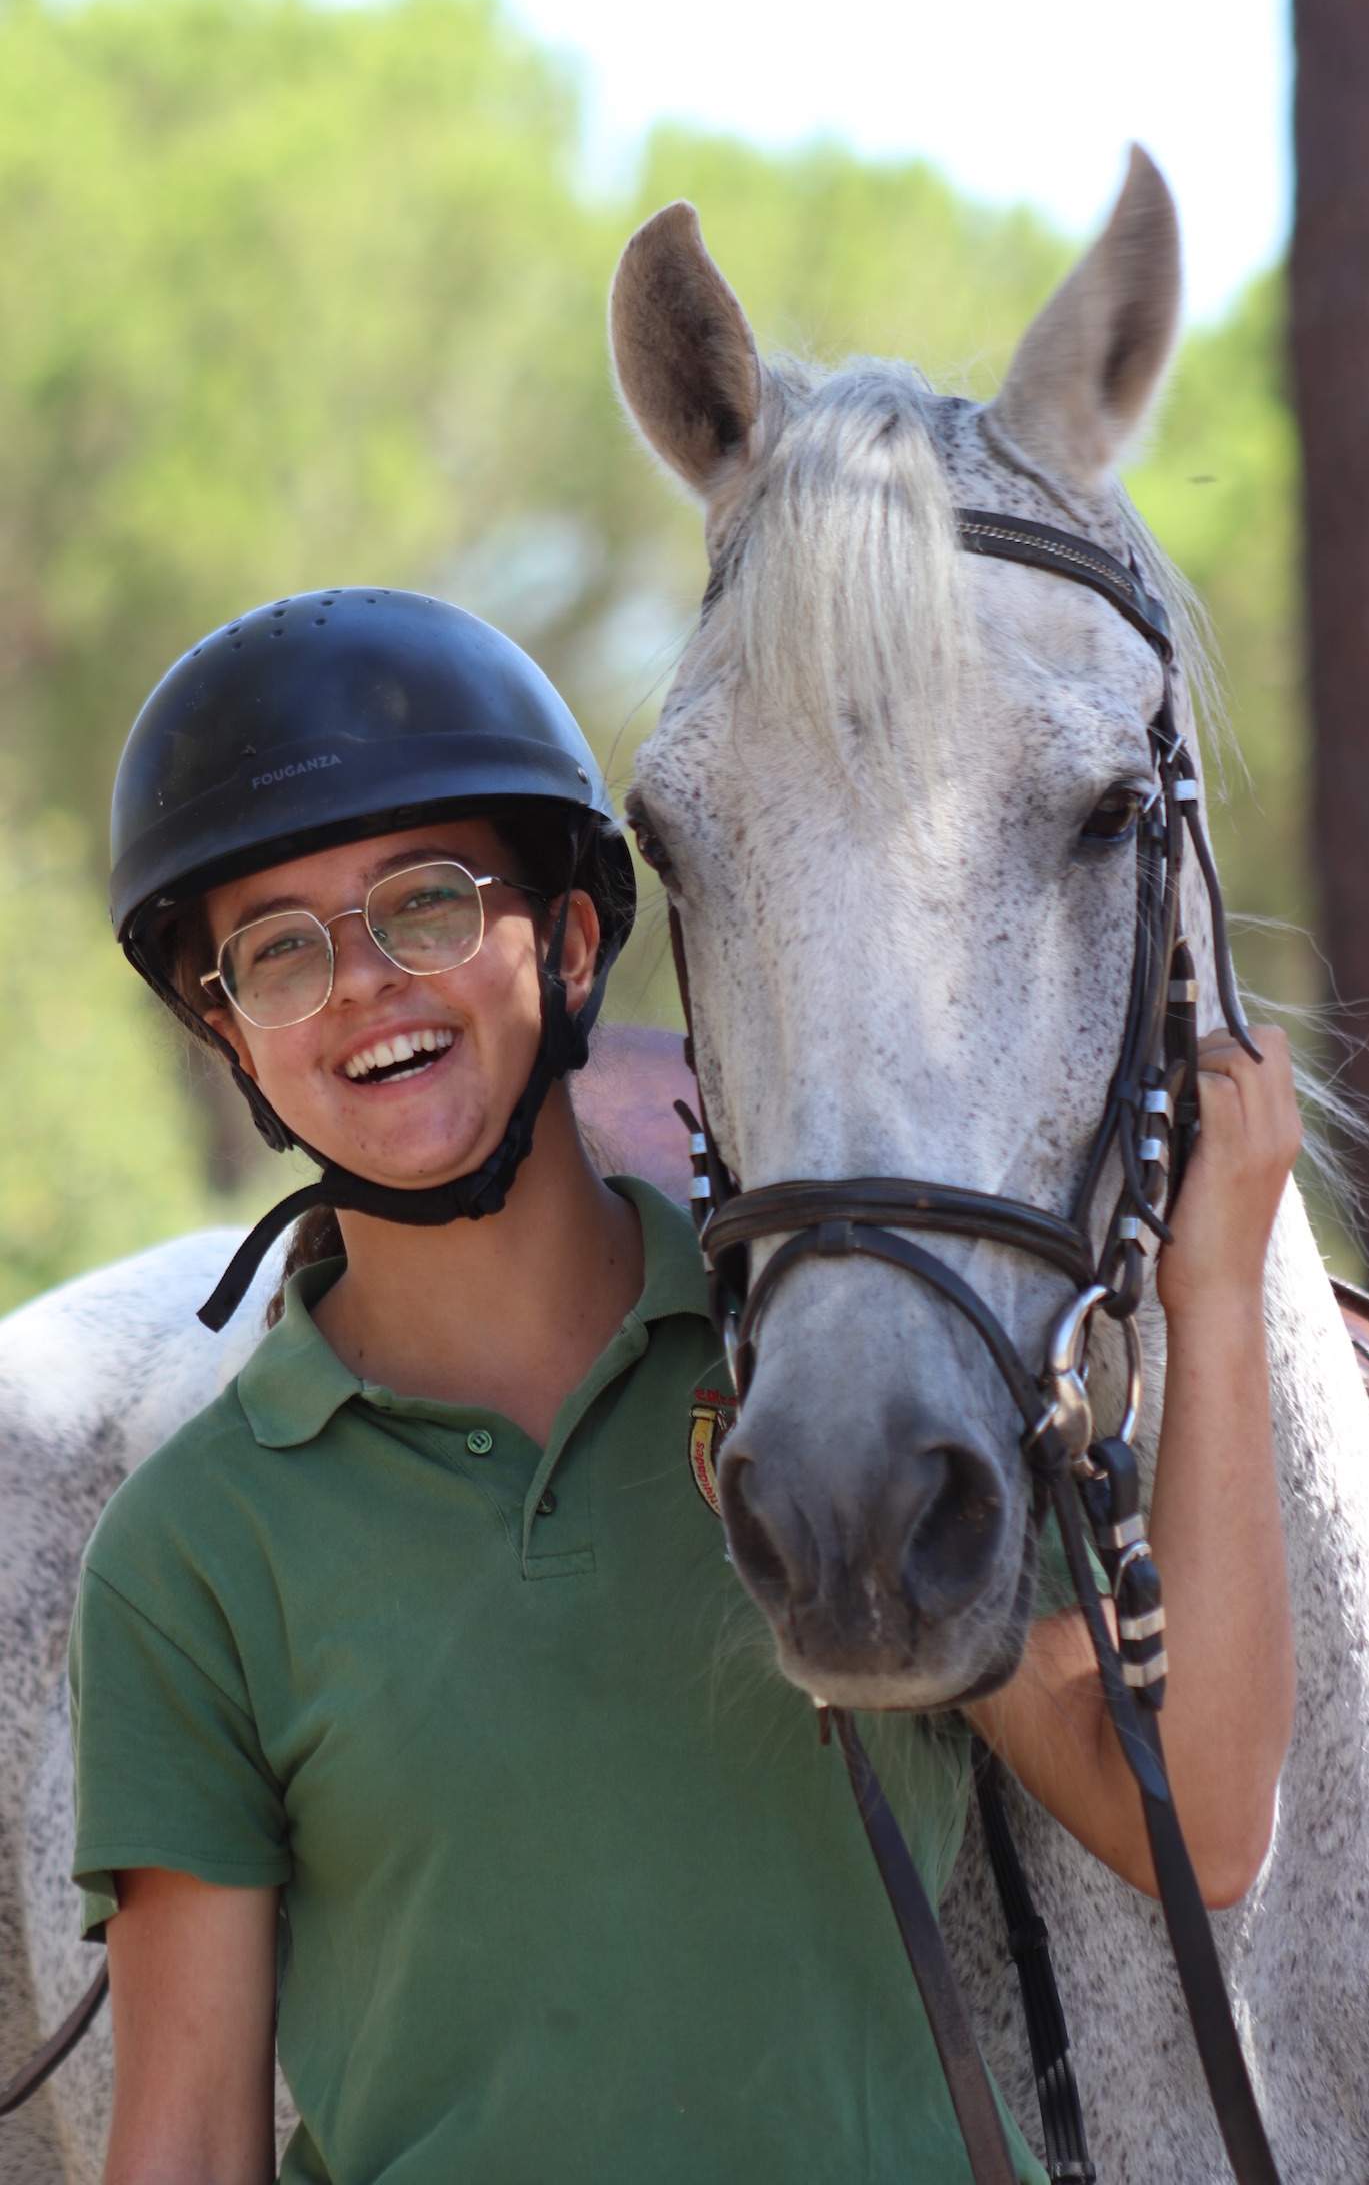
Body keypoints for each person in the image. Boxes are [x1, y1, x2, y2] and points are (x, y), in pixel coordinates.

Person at [72, 585, 1300, 2185]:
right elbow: (184, 2146)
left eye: (427, 905)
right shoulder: (191, 1553)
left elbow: (1196, 1822)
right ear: (233, 1038)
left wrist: (1217, 1294)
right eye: (280, 953)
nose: (366, 981)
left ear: (571, 940)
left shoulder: (817, 1408)